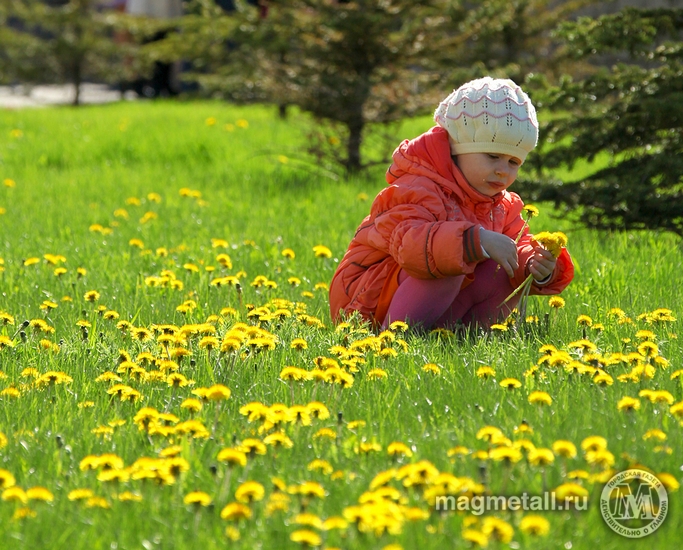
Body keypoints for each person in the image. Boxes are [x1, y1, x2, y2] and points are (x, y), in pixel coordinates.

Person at [329, 77, 574, 331]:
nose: (503, 171)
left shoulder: (502, 205)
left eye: (514, 163)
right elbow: (410, 246)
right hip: (366, 302)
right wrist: (474, 241)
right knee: (449, 261)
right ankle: (395, 339)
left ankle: (462, 336)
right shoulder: (419, 187)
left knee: (502, 265)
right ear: (458, 149)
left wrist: (536, 265)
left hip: (431, 300)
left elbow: (517, 244)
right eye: (492, 156)